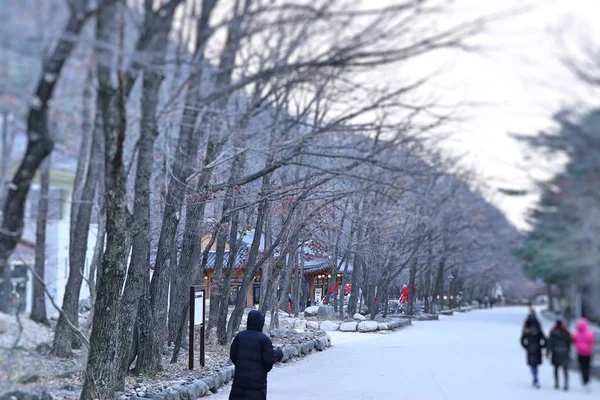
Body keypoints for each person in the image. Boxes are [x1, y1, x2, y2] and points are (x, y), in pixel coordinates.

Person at [229, 310, 283, 400]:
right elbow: (268, 363)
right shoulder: (264, 340)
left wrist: (241, 365)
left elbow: (233, 355)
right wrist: (277, 354)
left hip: (239, 381)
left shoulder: (239, 337)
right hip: (257, 383)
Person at [521, 311, 547, 388]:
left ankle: (535, 377)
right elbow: (544, 339)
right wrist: (542, 346)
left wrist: (526, 346)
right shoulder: (538, 327)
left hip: (530, 348)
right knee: (536, 364)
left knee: (532, 364)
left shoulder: (526, 328)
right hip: (537, 348)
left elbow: (522, 339)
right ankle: (536, 377)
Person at [547, 319, 572, 391]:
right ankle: (566, 384)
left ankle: (557, 383)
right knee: (565, 369)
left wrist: (548, 352)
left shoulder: (552, 332)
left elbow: (550, 343)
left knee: (556, 369)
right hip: (564, 352)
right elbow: (569, 342)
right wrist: (568, 350)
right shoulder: (566, 332)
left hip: (555, 352)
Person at [572, 318, 595, 392]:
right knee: (587, 366)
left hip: (580, 352)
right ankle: (587, 380)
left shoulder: (576, 333)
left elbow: (574, 341)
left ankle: (584, 380)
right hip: (588, 352)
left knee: (582, 367)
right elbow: (591, 341)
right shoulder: (589, 333)